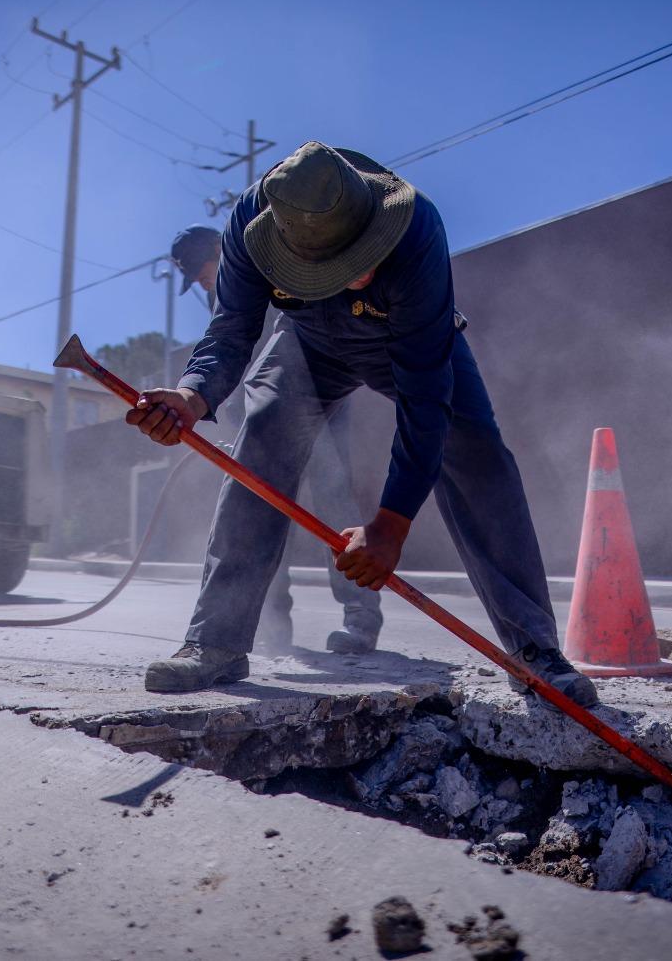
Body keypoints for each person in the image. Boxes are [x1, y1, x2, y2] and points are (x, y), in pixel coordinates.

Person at [128, 142, 597, 709]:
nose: (363, 272)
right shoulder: (251, 224)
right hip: (305, 341)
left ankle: (534, 651)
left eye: (366, 256)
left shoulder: (417, 224)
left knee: (475, 451)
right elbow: (231, 331)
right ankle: (215, 644)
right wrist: (191, 395)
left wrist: (390, 526)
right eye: (342, 265)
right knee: (262, 443)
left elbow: (426, 400)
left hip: (408, 338)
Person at [167, 225, 383, 655]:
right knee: (260, 508)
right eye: (194, 277)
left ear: (218, 247)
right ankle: (272, 624)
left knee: (333, 506)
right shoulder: (222, 294)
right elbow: (232, 356)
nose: (202, 280)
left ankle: (361, 620)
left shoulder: (262, 262)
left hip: (319, 404)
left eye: (202, 268)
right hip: (262, 418)